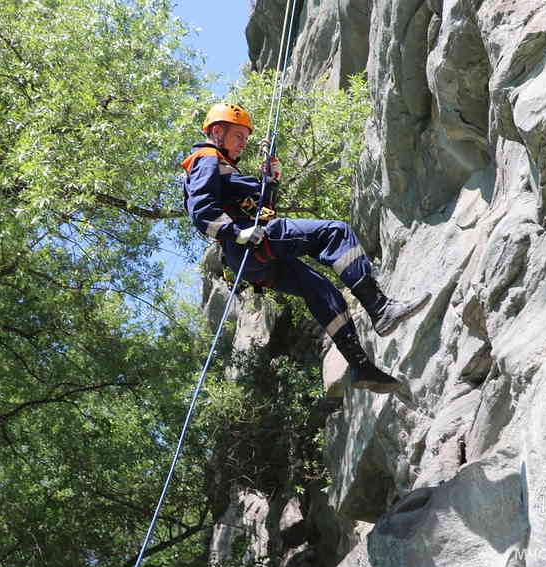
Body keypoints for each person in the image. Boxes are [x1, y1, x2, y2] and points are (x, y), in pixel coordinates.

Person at [182, 102, 431, 393]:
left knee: (322, 291)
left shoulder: (224, 168)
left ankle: (361, 366)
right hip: (253, 243)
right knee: (335, 233)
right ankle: (379, 308)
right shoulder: (206, 157)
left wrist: (269, 183)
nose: (243, 144)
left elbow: (257, 208)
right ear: (217, 131)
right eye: (239, 136)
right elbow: (201, 210)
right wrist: (236, 233)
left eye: (246, 139)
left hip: (252, 258)